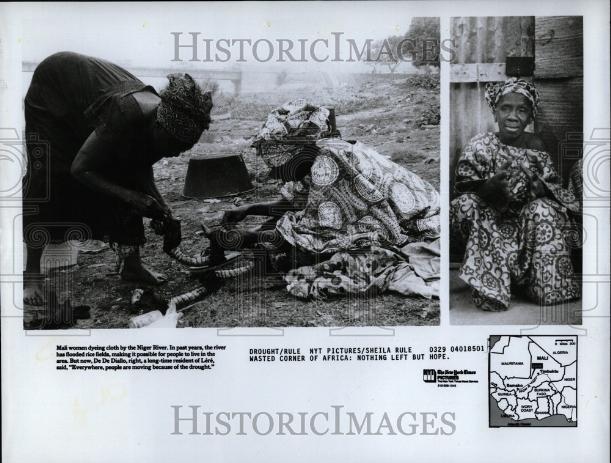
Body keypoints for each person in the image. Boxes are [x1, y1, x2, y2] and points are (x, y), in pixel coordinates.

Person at [23, 52, 213, 306]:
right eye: (173, 146)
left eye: (183, 149)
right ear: (157, 127)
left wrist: (165, 210)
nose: (175, 152)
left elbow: (139, 167)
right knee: (48, 176)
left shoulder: (163, 122)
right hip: (54, 89)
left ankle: (131, 266)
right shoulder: (126, 114)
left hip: (89, 103)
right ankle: (31, 274)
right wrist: (132, 196)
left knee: (124, 174)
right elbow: (80, 169)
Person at [206, 101, 441, 299]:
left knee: (325, 253)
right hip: (392, 212)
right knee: (287, 227)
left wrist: (251, 238)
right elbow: (291, 204)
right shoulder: (312, 157)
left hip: (417, 220)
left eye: (280, 168)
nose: (277, 175)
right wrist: (248, 210)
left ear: (294, 157)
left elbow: (320, 229)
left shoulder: (328, 162)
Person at [450, 78, 580, 311]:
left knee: (544, 208)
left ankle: (540, 284)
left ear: (530, 117)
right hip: (489, 228)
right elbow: (462, 187)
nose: (513, 116)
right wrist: (489, 188)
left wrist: (541, 190)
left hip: (527, 232)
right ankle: (492, 284)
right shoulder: (480, 145)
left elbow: (560, 193)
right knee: (465, 204)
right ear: (495, 112)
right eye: (506, 108)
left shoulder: (537, 147)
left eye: (522, 110)